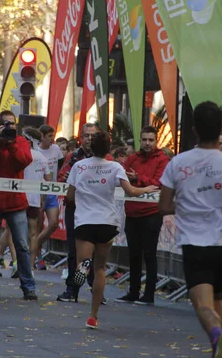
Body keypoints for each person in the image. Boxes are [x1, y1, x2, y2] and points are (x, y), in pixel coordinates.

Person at [158, 102, 222, 358]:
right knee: (216, 299)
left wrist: (186, 206)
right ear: (221, 129)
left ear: (194, 129)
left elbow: (164, 206)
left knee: (203, 305)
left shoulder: (178, 163)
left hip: (196, 244)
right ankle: (219, 352)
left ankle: (217, 336)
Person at [67, 130, 158, 329]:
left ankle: (78, 278)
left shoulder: (79, 166)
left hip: (85, 220)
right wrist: (146, 189)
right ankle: (93, 315)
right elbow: (131, 191)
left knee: (83, 263)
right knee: (100, 268)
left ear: (91, 147)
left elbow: (70, 196)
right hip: (107, 222)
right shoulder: (115, 167)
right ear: (109, 148)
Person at [0, 110, 37, 300]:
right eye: (4, 124)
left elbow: (24, 161)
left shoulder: (21, 142)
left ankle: (28, 287)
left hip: (15, 202)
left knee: (22, 246)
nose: (8, 127)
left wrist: (10, 144)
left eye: (11, 124)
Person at [115, 126, 168, 306]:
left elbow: (159, 183)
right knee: (134, 254)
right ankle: (133, 292)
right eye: (144, 139)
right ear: (140, 139)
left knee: (149, 255)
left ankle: (149, 295)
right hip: (132, 212)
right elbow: (122, 178)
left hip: (152, 213)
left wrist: (138, 178)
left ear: (156, 140)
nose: (147, 143)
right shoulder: (132, 158)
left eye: (150, 140)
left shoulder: (162, 159)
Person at [56, 123, 109, 303]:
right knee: (78, 255)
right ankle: (74, 289)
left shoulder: (108, 161)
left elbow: (124, 185)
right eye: (86, 136)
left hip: (99, 213)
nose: (89, 139)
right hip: (79, 212)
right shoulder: (75, 160)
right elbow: (63, 181)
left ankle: (96, 290)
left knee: (93, 258)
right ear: (81, 137)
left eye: (92, 136)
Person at [34, 125, 62, 270]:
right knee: (38, 226)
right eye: (50, 136)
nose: (53, 139)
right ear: (42, 137)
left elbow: (62, 165)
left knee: (53, 223)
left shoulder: (56, 149)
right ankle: (38, 258)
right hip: (39, 191)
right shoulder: (36, 150)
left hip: (52, 190)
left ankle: (32, 247)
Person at [22, 127, 49, 270]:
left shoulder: (21, 153)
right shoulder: (41, 157)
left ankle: (17, 264)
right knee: (33, 233)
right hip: (34, 199)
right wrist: (42, 199)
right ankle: (30, 266)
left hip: (20, 198)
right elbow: (48, 180)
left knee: (14, 232)